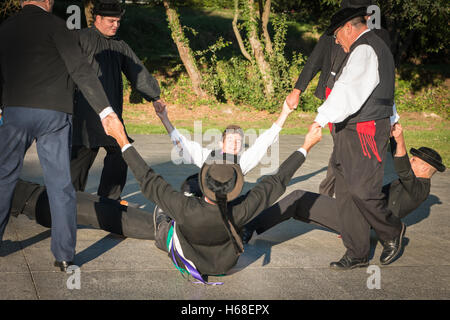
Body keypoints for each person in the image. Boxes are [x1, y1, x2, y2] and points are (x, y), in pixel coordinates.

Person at [11, 122, 324, 284]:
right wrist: (306, 145)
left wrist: (122, 140)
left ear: (204, 185)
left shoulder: (186, 208)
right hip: (226, 264)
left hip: (182, 246)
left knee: (135, 215)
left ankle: (26, 197)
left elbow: (147, 180)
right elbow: (278, 181)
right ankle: (29, 197)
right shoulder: (241, 209)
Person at [0, 0, 124, 271]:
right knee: (60, 185)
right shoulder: (59, 27)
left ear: (23, 1)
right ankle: (64, 255)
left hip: (16, 112)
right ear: (48, 2)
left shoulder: (6, 28)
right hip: (54, 114)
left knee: (4, 178)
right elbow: (81, 71)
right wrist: (105, 111)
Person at [241, 123, 446, 260]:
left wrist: (401, 140)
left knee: (298, 198)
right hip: (357, 215)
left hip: (361, 219)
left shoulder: (420, 189)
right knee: (299, 206)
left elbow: (401, 167)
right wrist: (391, 132)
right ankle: (249, 229)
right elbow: (395, 159)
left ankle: (247, 229)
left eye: (415, 160)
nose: (410, 161)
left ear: (425, 168)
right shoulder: (414, 184)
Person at [308, 6, 405, 270]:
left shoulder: (365, 48)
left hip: (365, 131)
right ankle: (357, 252)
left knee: (363, 190)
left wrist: (320, 118)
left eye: (337, 35)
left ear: (349, 28)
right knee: (346, 193)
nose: (336, 41)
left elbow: (348, 91)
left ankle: (392, 230)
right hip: (349, 130)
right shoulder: (370, 47)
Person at [286, 0, 396, 197]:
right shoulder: (336, 32)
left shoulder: (376, 37)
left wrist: (391, 114)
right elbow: (315, 60)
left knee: (347, 150)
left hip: (361, 100)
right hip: (335, 94)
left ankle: (336, 196)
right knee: (342, 145)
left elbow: (384, 77)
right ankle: (332, 195)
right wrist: (297, 89)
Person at [70, 0, 165, 201]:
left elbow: (137, 71)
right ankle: (68, 204)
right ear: (97, 18)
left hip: (111, 114)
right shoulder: (80, 38)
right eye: (111, 21)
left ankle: (109, 203)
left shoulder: (120, 45)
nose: (116, 25)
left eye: (118, 21)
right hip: (84, 115)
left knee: (120, 153)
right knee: (80, 160)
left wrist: (154, 96)